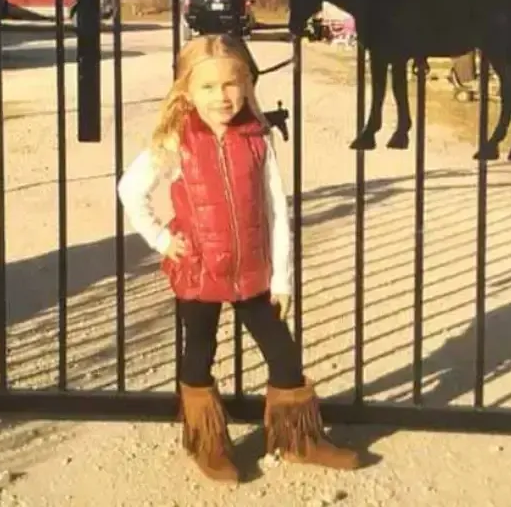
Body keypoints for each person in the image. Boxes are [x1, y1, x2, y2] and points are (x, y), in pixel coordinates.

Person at [118, 33, 359, 484]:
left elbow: (275, 207)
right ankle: (208, 443)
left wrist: (283, 278)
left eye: (232, 84)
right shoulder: (176, 140)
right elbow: (130, 189)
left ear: (247, 84)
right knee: (199, 353)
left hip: (253, 271)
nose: (222, 96)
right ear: (186, 91)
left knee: (283, 352)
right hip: (199, 269)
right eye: (207, 87)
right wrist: (161, 239)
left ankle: (299, 439)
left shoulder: (257, 137)